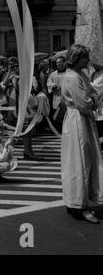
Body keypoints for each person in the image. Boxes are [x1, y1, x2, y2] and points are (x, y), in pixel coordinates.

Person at [61, 44, 103, 224]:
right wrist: (93, 100)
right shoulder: (72, 77)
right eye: (85, 57)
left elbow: (92, 92)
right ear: (78, 58)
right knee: (80, 161)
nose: (88, 60)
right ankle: (79, 204)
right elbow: (84, 102)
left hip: (81, 119)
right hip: (77, 119)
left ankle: (78, 201)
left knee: (83, 160)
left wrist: (93, 97)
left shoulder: (80, 74)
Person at [47, 57, 67, 131]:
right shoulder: (53, 74)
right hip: (57, 96)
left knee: (66, 113)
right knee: (57, 113)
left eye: (60, 62)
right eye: (57, 62)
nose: (58, 64)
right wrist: (53, 86)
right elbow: (48, 82)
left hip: (66, 96)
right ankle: (59, 129)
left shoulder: (68, 73)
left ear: (64, 63)